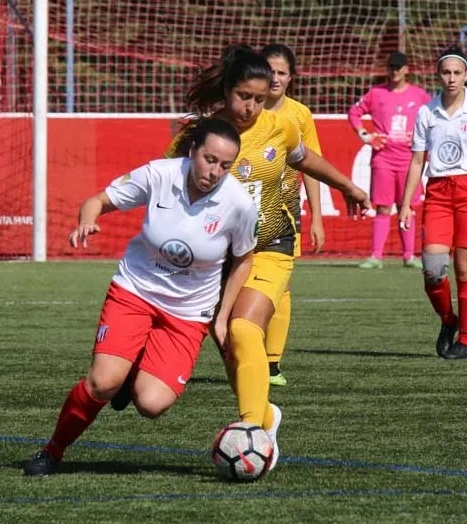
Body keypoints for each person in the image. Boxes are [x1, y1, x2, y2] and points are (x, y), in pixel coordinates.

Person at [167, 44, 371, 470]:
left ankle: (250, 431)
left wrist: (347, 187)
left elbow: (306, 159)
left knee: (242, 329)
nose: (252, 107)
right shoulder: (200, 137)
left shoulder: (280, 127)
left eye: (260, 99)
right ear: (226, 90)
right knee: (229, 345)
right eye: (244, 96)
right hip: (218, 257)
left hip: (271, 248)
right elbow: (169, 190)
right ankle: (264, 416)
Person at [23, 118, 260, 476]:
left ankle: (130, 371)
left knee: (151, 404)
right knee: (103, 382)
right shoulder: (159, 174)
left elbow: (244, 259)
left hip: (188, 311)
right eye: (209, 159)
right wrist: (86, 220)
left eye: (225, 165)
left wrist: (222, 317)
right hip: (135, 291)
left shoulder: (239, 204)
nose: (215, 171)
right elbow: (97, 200)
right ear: (193, 150)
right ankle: (53, 451)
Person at [397, 45, 467, 360]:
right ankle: (449, 321)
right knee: (433, 269)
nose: (451, 78)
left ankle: (465, 340)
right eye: (446, 72)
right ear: (438, 74)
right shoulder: (426, 112)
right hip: (438, 192)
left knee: (464, 268)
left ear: (466, 75)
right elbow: (418, 160)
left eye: (457, 73)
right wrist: (406, 203)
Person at [260, 43, 324, 387]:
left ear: (291, 78)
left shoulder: (299, 115)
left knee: (281, 286)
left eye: (281, 72)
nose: (275, 78)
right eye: (269, 70)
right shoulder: (245, 109)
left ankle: (271, 362)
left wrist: (316, 217)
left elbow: (311, 167)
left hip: (283, 211)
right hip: (243, 211)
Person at [349, 51, 431, 270]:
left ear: (406, 69)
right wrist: (365, 135)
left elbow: (435, 118)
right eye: (391, 67)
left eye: (398, 67)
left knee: (407, 207)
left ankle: (409, 256)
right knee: (383, 207)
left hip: (409, 159)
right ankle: (376, 256)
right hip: (383, 158)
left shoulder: (420, 96)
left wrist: (419, 135)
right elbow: (354, 113)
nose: (394, 71)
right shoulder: (376, 94)